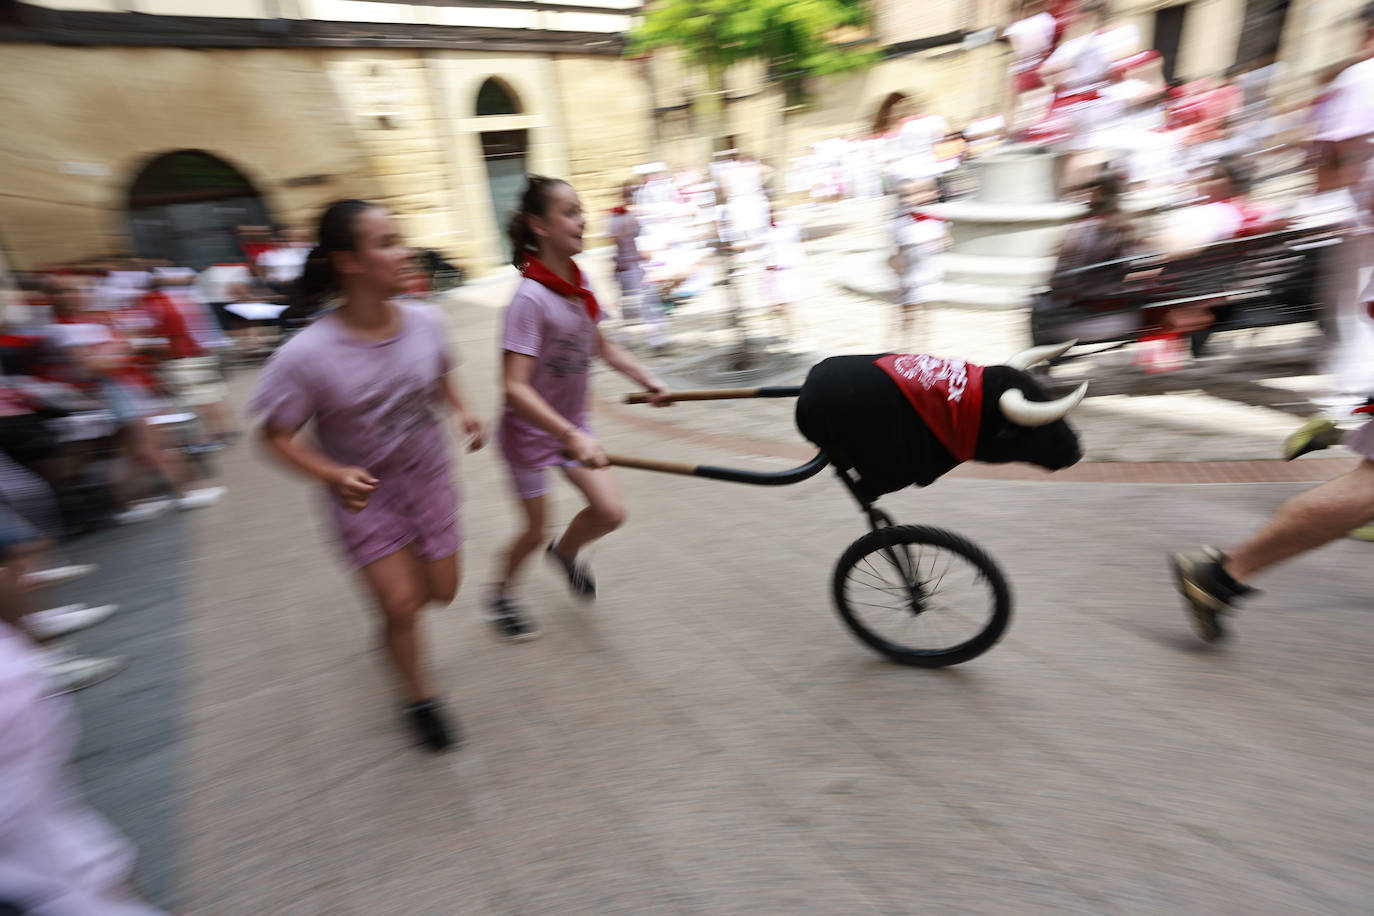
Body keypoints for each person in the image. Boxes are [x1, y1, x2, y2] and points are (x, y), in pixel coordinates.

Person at [248, 199, 484, 752]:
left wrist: (464, 409)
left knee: (440, 593)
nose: (402, 252)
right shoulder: (306, 355)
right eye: (385, 243)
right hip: (365, 499)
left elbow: (443, 373)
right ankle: (418, 695)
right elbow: (274, 434)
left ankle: (397, 636)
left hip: (428, 482)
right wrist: (331, 473)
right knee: (399, 606)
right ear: (348, 261)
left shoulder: (427, 321)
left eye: (397, 239)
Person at [488, 175, 670, 641]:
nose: (582, 219)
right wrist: (569, 435)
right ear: (539, 225)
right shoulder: (530, 299)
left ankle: (565, 554)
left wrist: (648, 380)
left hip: (572, 428)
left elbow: (603, 348)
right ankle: (500, 595)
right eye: (569, 211)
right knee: (533, 530)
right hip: (531, 436)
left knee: (610, 511)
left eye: (580, 209)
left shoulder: (577, 283)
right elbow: (514, 387)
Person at [889, 179, 948, 350]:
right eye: (904, 196)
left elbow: (945, 240)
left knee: (928, 315)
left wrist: (937, 243)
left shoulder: (935, 219)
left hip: (930, 275)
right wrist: (900, 276)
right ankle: (904, 348)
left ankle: (924, 349)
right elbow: (899, 252)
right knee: (908, 316)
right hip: (910, 277)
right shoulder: (900, 223)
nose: (908, 199)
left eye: (913, 194)